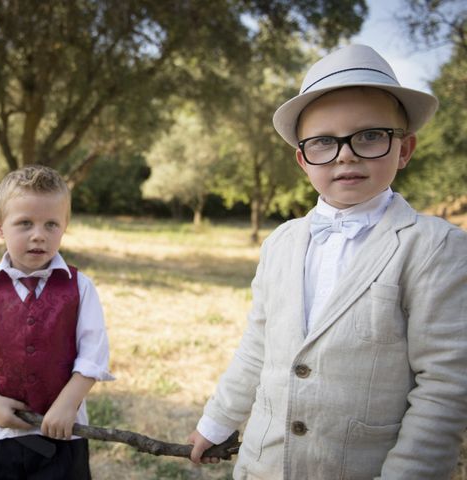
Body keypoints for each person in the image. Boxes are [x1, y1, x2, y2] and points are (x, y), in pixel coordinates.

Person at [187, 44, 467, 479]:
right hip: (264, 464)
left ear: (405, 148)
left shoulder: (434, 247)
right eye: (323, 142)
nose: (345, 154)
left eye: (370, 135)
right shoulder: (281, 243)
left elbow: (445, 386)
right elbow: (257, 346)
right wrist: (216, 422)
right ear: (303, 159)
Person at [0, 165, 113, 480]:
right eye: (25, 223)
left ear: (65, 227)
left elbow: (93, 355)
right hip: (0, 435)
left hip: (65, 434)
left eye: (51, 224)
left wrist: (68, 405)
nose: (39, 234)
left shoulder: (80, 287)